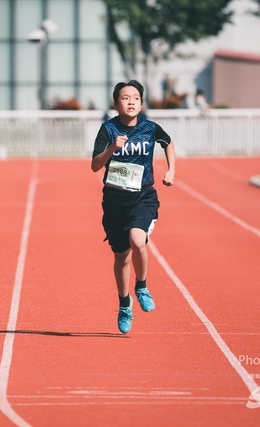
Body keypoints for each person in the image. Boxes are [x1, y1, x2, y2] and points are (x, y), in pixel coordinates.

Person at [91, 80, 176, 334]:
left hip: (143, 198)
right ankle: (124, 305)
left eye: (136, 98)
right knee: (121, 258)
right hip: (114, 203)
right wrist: (111, 148)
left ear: (141, 103)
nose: (131, 101)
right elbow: (95, 166)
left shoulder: (150, 128)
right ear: (116, 103)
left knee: (138, 240)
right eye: (125, 98)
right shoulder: (108, 129)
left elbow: (168, 142)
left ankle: (142, 286)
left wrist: (172, 169)